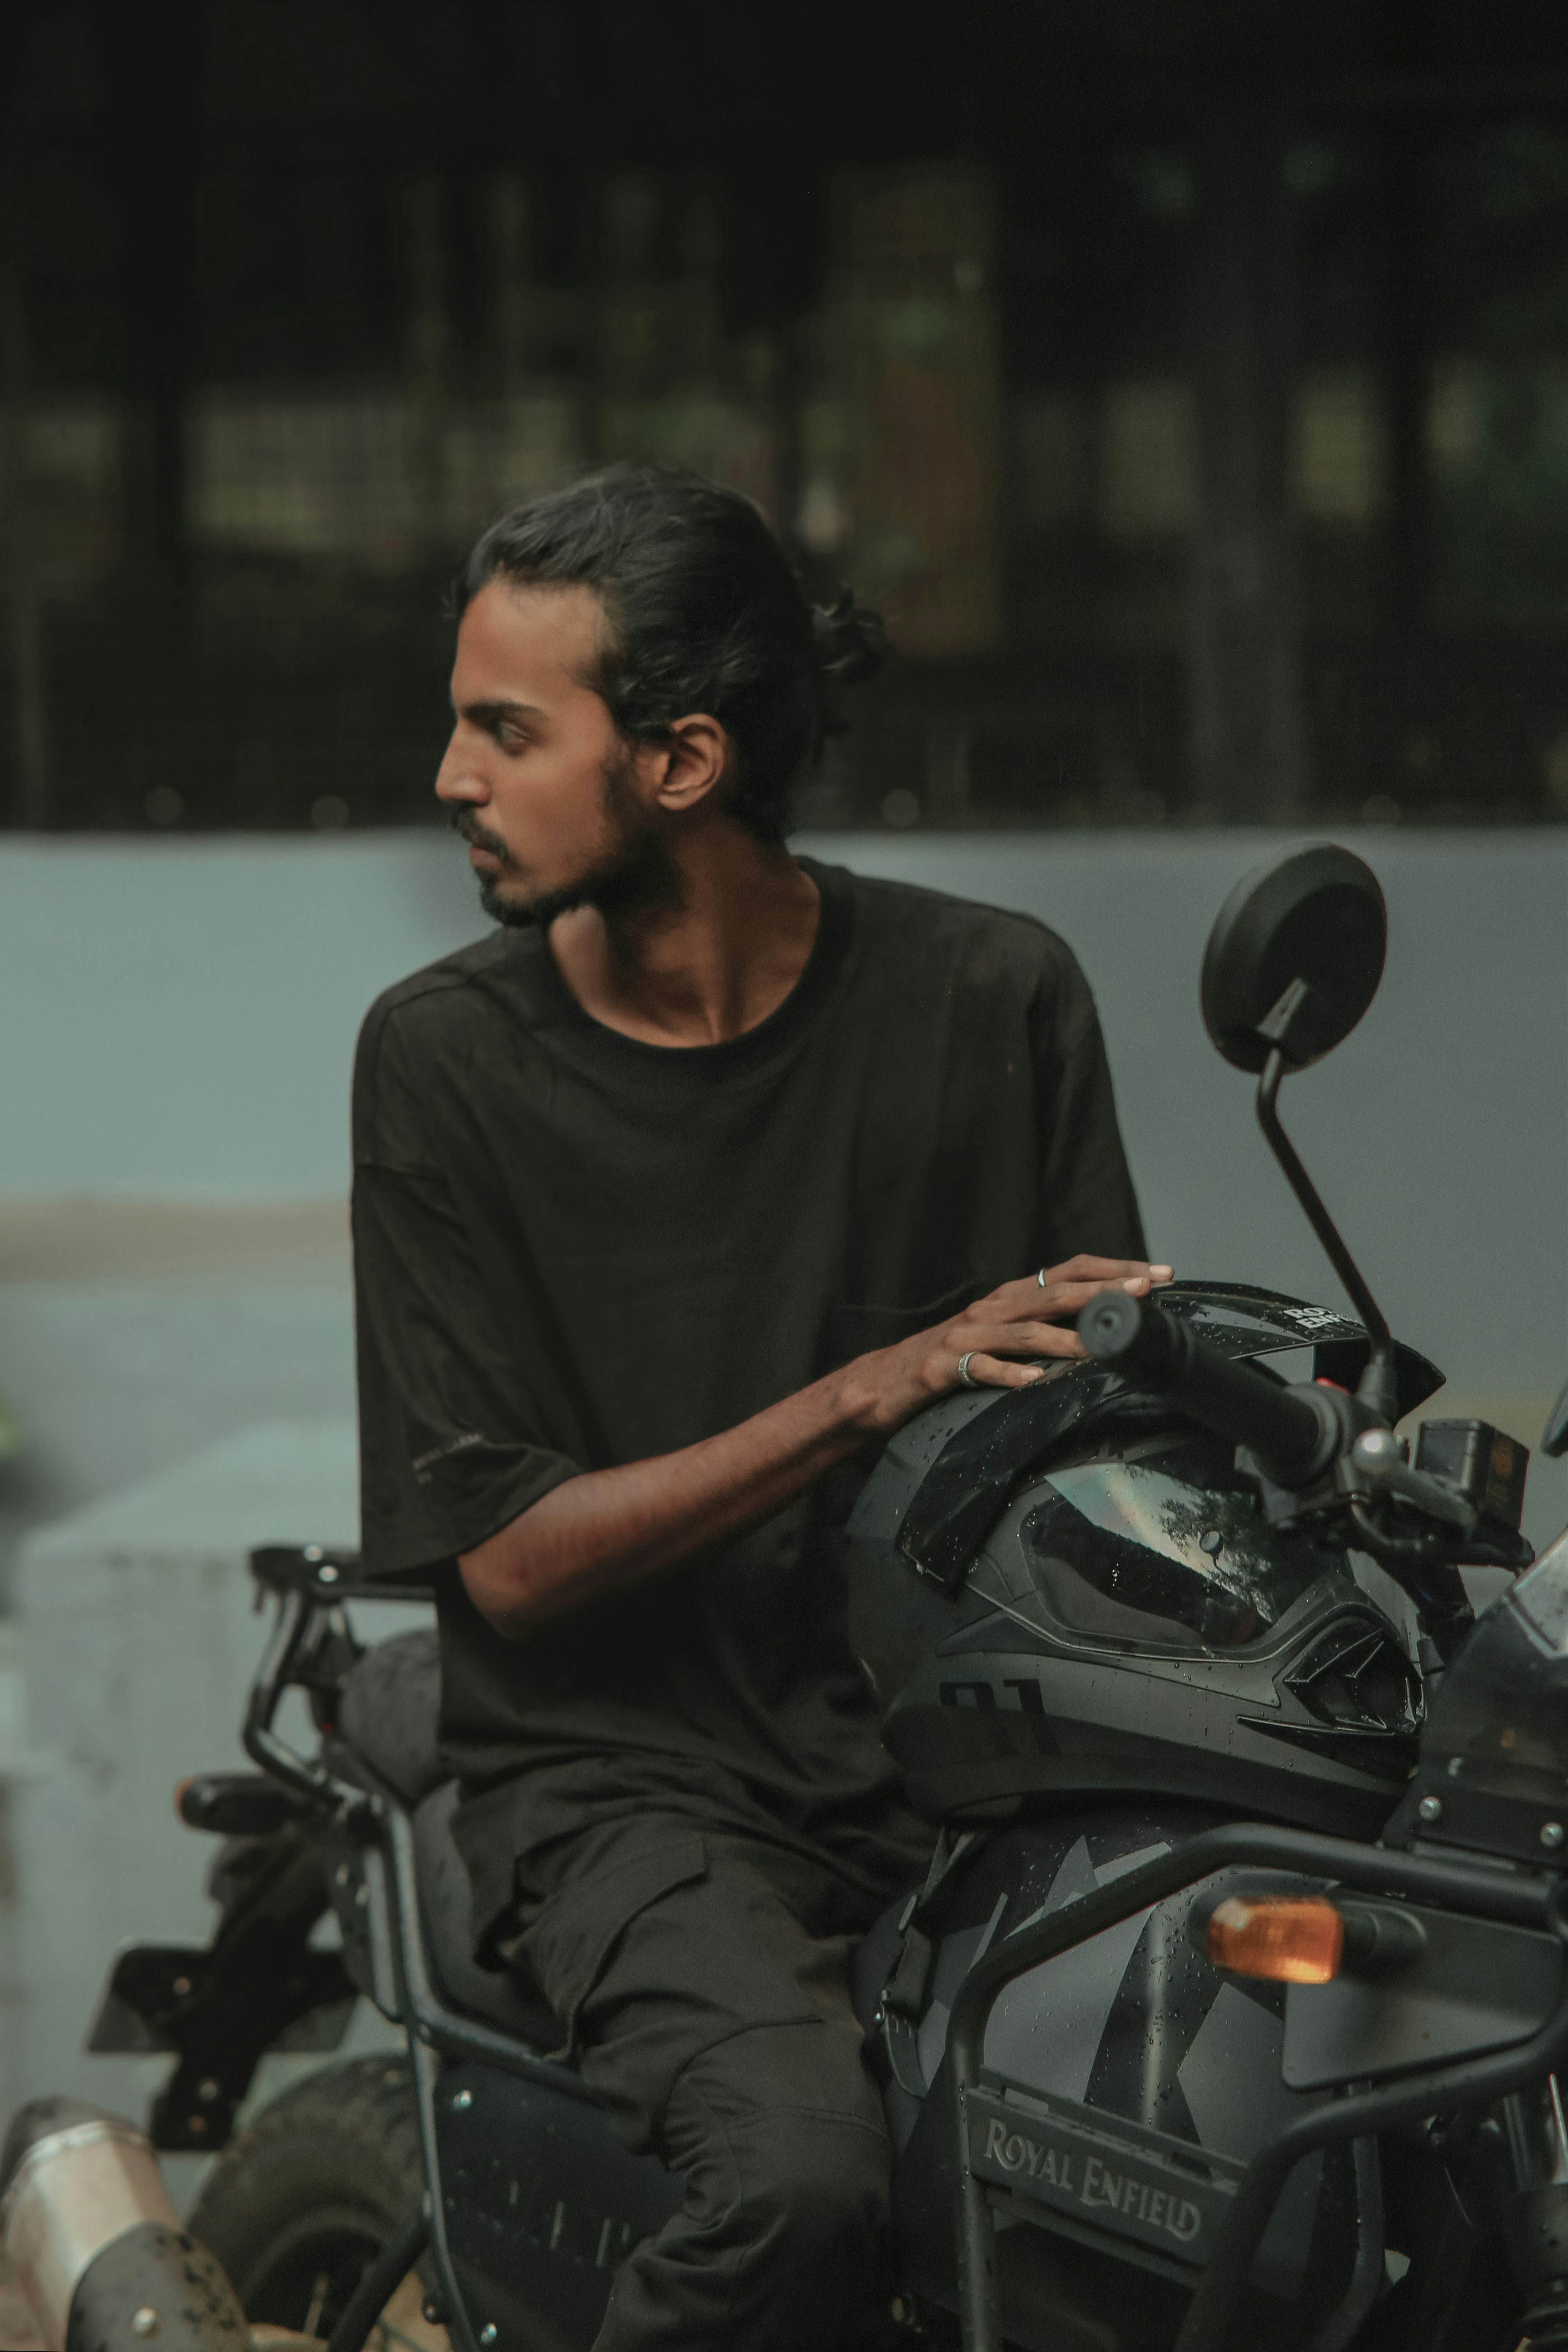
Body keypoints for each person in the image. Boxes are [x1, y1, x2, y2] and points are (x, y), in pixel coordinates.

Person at [351, 466, 1168, 2351]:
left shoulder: (993, 996)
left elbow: (1107, 1424)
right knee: (801, 2189)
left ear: (682, 760)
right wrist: (867, 1390)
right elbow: (513, 1565)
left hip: (963, 1764)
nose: (452, 777)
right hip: (624, 1781)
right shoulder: (444, 1064)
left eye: (505, 730)